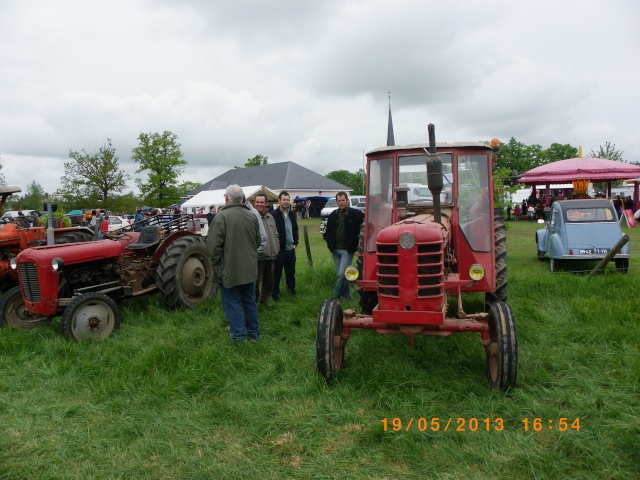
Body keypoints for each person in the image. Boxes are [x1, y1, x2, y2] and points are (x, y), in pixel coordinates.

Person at [206, 184, 261, 345]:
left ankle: (238, 338)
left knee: (233, 303)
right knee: (249, 301)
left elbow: (213, 247)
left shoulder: (221, 217)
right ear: (242, 198)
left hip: (229, 269)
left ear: (226, 198)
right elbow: (257, 242)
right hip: (249, 269)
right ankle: (254, 334)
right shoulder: (251, 216)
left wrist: (216, 263)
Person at [324, 192, 364, 300]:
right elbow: (328, 231)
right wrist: (329, 244)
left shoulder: (355, 214)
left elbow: (366, 221)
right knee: (343, 275)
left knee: (341, 275)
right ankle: (348, 297)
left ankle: (335, 296)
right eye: (339, 201)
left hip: (347, 250)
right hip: (335, 250)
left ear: (347, 200)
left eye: (343, 200)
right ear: (337, 202)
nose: (341, 202)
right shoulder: (333, 215)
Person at [271, 191, 298, 300]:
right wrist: (276, 246)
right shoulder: (273, 215)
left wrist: (295, 243)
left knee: (291, 273)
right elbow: (272, 232)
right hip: (279, 250)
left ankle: (291, 291)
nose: (286, 202)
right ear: (279, 200)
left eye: (288, 199)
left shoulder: (291, 214)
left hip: (290, 249)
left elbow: (295, 229)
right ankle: (274, 295)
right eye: (284, 199)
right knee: (276, 274)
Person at [254, 194, 279, 304]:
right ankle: (253, 304)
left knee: (269, 281)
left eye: (262, 202)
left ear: (266, 203)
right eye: (257, 202)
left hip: (271, 255)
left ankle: (263, 302)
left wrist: (276, 247)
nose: (259, 204)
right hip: (258, 257)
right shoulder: (252, 217)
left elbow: (276, 234)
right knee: (255, 282)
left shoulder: (270, 217)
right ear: (254, 203)